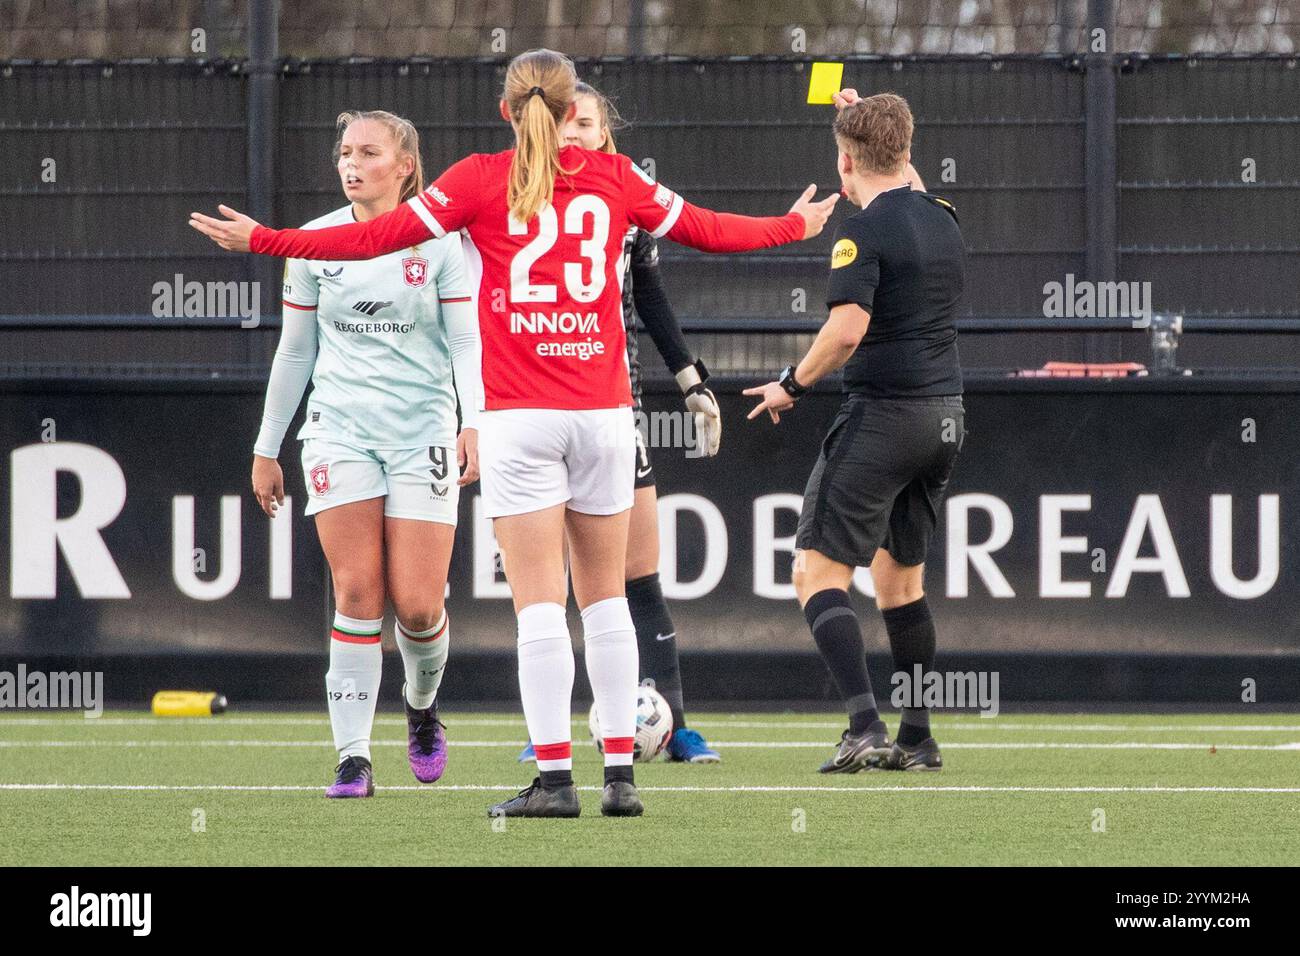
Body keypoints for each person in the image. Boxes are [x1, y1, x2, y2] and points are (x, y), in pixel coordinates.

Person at [191, 48, 838, 818]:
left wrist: (265, 240)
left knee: (539, 606)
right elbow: (710, 230)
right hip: (604, 416)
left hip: (521, 418)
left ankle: (555, 781)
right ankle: (622, 780)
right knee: (607, 604)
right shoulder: (615, 177)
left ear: (507, 110)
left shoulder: (475, 178)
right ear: (574, 115)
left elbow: (371, 240)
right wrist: (794, 225)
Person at [250, 110, 483, 798]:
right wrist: (268, 447)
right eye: (344, 151)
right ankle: (353, 758)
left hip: (424, 433)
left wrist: (475, 421)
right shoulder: (314, 242)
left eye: (368, 152)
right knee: (357, 591)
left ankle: (420, 709)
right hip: (338, 431)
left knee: (415, 606)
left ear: (405, 166)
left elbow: (468, 343)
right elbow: (296, 351)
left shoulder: (443, 241)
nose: (351, 163)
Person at [744, 89, 965, 773]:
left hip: (885, 415)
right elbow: (903, 181)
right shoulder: (943, 216)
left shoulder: (861, 231)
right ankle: (918, 736)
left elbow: (846, 330)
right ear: (906, 149)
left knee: (814, 572)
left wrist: (792, 383)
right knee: (900, 584)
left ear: (845, 162)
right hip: (945, 418)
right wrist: (865, 122)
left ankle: (864, 725)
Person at [515, 80, 721, 766]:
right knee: (550, 588)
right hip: (531, 413)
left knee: (635, 578)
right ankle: (548, 735)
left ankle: (678, 723)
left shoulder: (624, 199)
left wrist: (691, 379)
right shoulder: (508, 193)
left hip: (613, 409)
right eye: (563, 126)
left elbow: (653, 299)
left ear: (607, 134)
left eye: (587, 126)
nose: (573, 137)